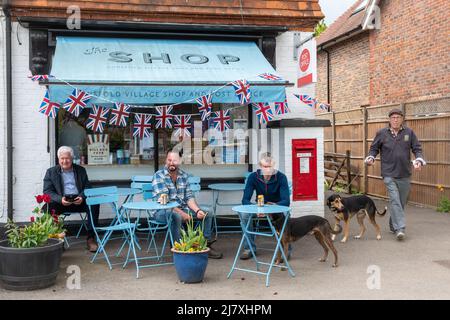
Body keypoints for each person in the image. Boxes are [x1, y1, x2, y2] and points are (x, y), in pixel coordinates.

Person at [365, 108, 426, 240]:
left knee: (400, 202)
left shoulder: (409, 133)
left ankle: (393, 224)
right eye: (393, 117)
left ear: (402, 119)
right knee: (395, 200)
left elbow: (417, 148)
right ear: (389, 120)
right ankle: (400, 229)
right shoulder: (382, 133)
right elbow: (374, 148)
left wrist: (419, 160)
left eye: (398, 117)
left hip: (404, 173)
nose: (395, 119)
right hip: (388, 173)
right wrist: (371, 157)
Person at [152, 149, 223, 259]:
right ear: (166, 160)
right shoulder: (159, 175)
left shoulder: (184, 176)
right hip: (162, 211)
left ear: (180, 161)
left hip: (182, 209)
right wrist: (182, 214)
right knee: (176, 216)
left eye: (174, 160)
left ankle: (203, 244)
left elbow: (189, 197)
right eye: (169, 160)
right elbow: (165, 202)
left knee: (207, 212)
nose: (171, 163)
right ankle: (178, 249)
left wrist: (197, 211)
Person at [43, 146, 100, 252]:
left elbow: (87, 187)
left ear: (72, 158)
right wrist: (60, 199)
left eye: (67, 158)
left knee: (94, 203)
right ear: (58, 159)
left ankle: (91, 238)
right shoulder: (51, 172)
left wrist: (82, 197)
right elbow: (47, 192)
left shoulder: (81, 170)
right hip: (62, 202)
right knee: (48, 207)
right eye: (62, 158)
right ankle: (57, 239)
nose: (65, 161)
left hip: (79, 200)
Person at [240, 152, 290, 259]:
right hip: (260, 206)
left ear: (274, 165)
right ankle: (249, 248)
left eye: (270, 166)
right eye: (265, 166)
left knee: (286, 214)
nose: (268, 169)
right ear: (260, 166)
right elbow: (245, 200)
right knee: (244, 214)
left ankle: (286, 249)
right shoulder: (253, 177)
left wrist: (270, 208)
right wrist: (256, 209)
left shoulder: (281, 177)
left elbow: (286, 201)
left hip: (277, 207)